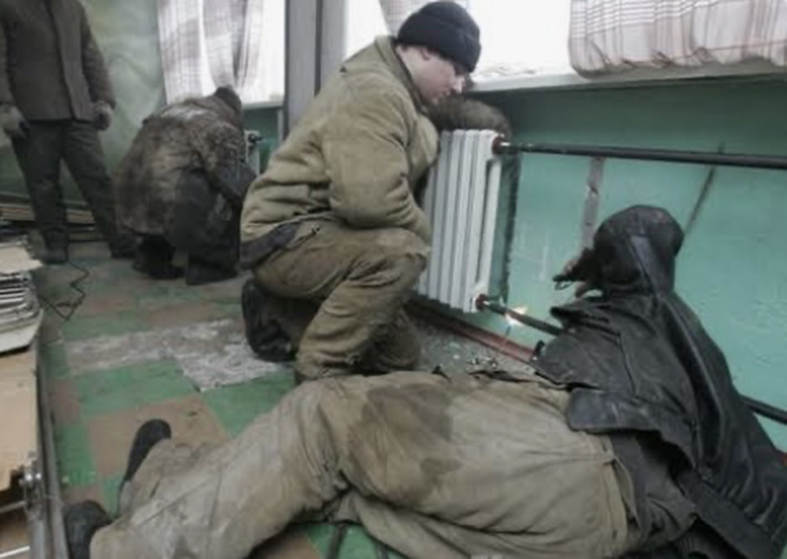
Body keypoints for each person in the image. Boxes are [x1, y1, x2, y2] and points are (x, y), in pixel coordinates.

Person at [64, 206, 787, 559]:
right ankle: (159, 483)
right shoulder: (688, 363)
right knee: (346, 482)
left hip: (581, 464)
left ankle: (120, 551)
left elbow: (644, 228)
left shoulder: (651, 311)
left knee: (321, 417)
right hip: (594, 527)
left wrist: (600, 262)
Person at [239, 1, 508, 380]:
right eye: (457, 72)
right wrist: (423, 234)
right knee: (402, 252)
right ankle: (319, 371)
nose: (459, 86)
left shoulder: (401, 90)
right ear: (426, 50)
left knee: (400, 357)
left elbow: (424, 125)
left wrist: (487, 122)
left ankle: (279, 310)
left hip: (317, 231)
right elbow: (368, 202)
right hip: (282, 237)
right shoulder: (374, 91)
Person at [0, 0, 133, 263]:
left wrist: (103, 99)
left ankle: (121, 242)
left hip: (78, 111)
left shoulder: (72, 7)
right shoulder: (8, 6)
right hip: (31, 115)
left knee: (97, 180)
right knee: (43, 185)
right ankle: (56, 245)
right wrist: (5, 105)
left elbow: (90, 55)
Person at [114, 87, 255, 285]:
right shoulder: (217, 126)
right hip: (170, 207)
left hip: (129, 206)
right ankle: (209, 264)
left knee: (171, 179)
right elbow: (237, 184)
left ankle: (153, 254)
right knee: (228, 191)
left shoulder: (166, 113)